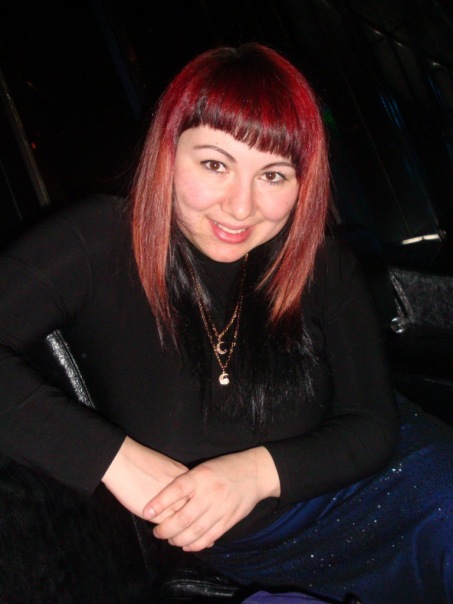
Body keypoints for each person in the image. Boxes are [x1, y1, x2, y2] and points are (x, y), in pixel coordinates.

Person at [0, 43, 452, 604]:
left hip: (393, 492)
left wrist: (255, 474)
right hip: (245, 553)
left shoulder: (322, 263)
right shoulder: (100, 239)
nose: (241, 207)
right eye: (215, 164)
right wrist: (109, 458)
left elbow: (373, 424)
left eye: (274, 175)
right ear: (168, 153)